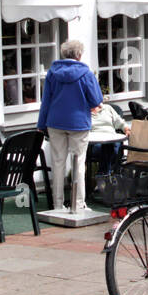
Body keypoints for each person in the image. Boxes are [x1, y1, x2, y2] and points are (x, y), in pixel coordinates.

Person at [36, 39, 103, 212]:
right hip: (78, 123)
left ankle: (58, 205)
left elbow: (46, 101)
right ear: (79, 55)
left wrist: (41, 124)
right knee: (79, 163)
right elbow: (96, 100)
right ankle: (78, 203)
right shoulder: (86, 73)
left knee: (58, 163)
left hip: (55, 122)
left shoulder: (53, 72)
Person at [88, 93, 130, 177]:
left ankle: (103, 174)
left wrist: (126, 129)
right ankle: (108, 174)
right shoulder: (85, 112)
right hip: (96, 143)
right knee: (108, 147)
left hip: (113, 139)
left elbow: (120, 123)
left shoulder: (108, 108)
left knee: (111, 145)